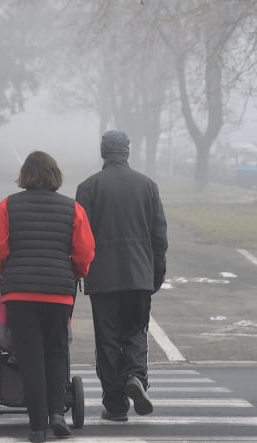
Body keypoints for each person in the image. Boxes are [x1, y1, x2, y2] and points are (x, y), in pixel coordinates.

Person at [0, 150, 95, 443]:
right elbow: (84, 253)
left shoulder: (7, 206)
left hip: (19, 293)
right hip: (59, 292)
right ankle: (58, 414)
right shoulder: (73, 209)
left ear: (25, 176)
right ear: (54, 176)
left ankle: (37, 427)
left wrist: (7, 270)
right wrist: (74, 272)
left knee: (30, 356)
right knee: (57, 351)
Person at [75, 129, 168, 422]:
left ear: (104, 152)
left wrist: (79, 271)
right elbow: (159, 237)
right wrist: (156, 274)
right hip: (139, 274)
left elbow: (81, 237)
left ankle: (115, 404)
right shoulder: (148, 186)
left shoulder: (88, 188)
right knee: (135, 331)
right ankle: (136, 376)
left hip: (103, 279)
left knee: (107, 339)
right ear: (127, 151)